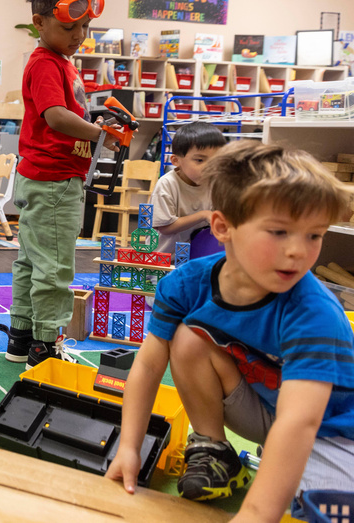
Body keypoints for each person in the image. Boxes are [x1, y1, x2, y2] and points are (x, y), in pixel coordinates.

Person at [106, 141, 354, 522]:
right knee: (187, 337)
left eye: (314, 235)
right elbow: (149, 365)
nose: (298, 251)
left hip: (332, 430)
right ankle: (215, 450)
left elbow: (300, 422)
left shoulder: (315, 312)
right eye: (279, 232)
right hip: (266, 408)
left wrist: (254, 513)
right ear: (223, 228)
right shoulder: (185, 285)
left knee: (324, 512)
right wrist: (128, 447)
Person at [0, 0, 116, 369]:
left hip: (47, 178)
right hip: (54, 182)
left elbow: (69, 115)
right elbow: (56, 117)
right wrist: (100, 134)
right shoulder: (46, 63)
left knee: (32, 261)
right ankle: (45, 346)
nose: (79, 35)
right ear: (40, 22)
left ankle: (22, 336)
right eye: (69, 28)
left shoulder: (60, 62)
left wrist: (95, 125)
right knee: (55, 267)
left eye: (86, 27)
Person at [150, 122, 227, 254]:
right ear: (176, 161)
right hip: (165, 259)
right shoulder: (167, 184)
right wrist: (203, 215)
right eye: (200, 160)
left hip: (197, 257)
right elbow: (165, 228)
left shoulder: (214, 183)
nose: (209, 167)